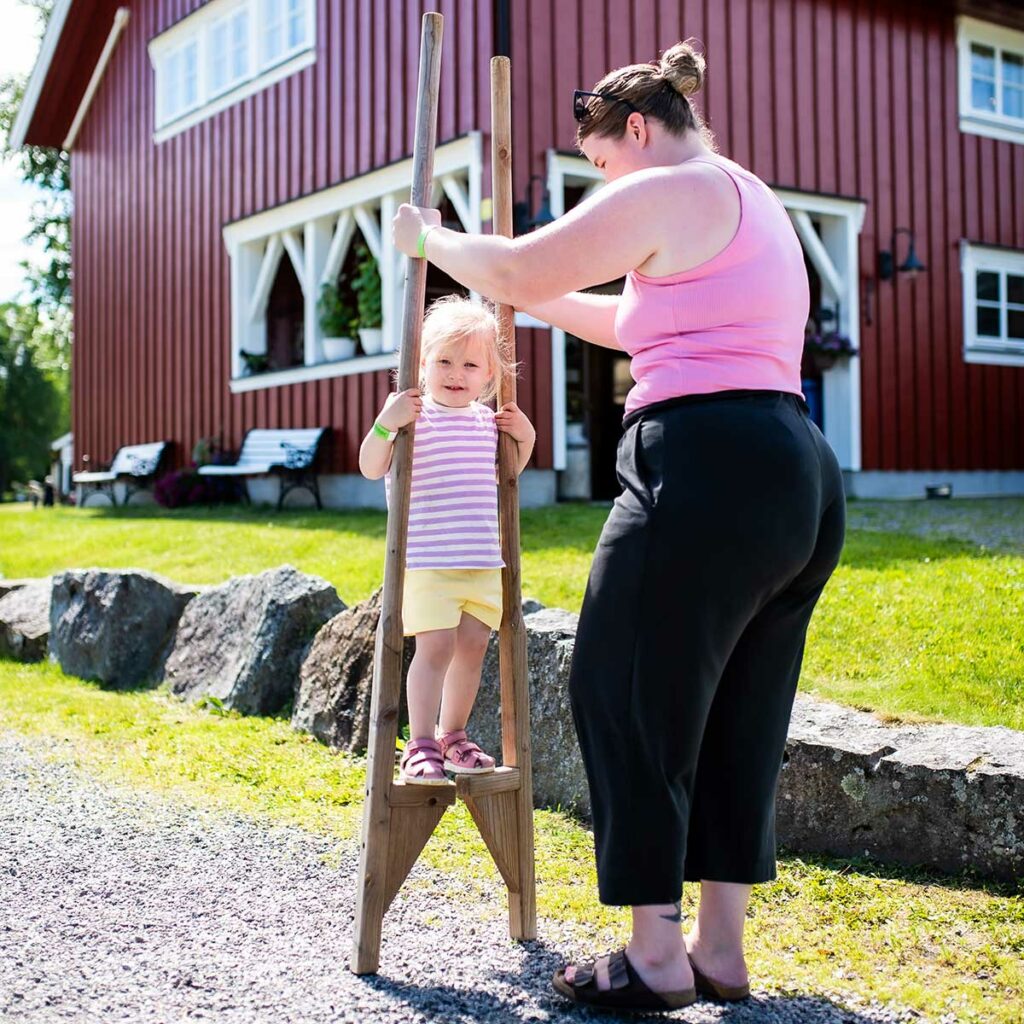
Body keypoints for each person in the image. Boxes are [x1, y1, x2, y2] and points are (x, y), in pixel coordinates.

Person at [392, 39, 845, 1012]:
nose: (604, 184)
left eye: (601, 164)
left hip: (703, 462)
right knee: (737, 711)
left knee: (623, 687)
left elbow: (518, 263)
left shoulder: (670, 186)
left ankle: (653, 954)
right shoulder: (746, 196)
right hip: (795, 472)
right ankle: (718, 949)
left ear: (636, 129)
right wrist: (524, 297)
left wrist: (431, 241)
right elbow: (629, 320)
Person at [359, 296, 536, 785]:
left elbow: (506, 478)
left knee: (473, 646)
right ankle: (419, 743)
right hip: (429, 559)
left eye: (470, 365)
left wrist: (525, 439)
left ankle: (452, 736)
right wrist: (385, 423)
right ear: (422, 363)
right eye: (444, 361)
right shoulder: (413, 419)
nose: (456, 373)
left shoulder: (488, 424)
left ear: (489, 375)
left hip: (481, 559)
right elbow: (371, 466)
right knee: (435, 647)